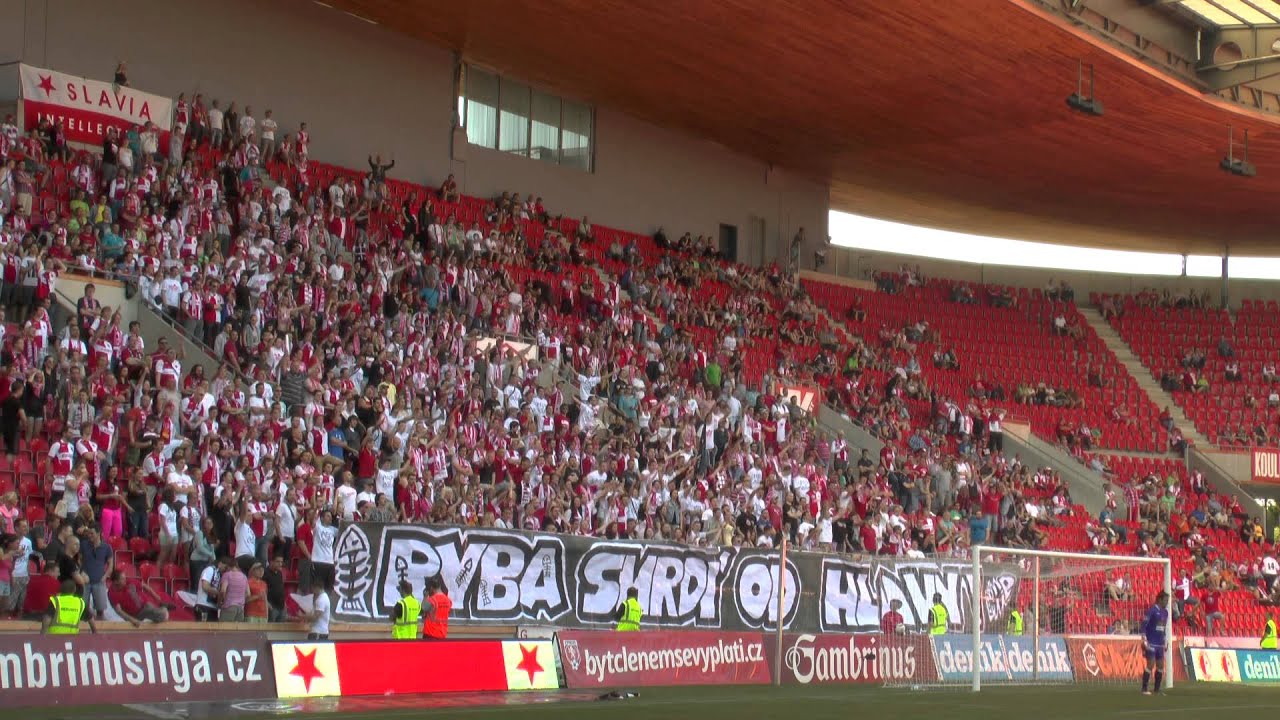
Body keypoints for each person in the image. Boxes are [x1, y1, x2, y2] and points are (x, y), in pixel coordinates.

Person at [1139, 590, 1169, 696]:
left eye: (1167, 600)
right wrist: (1144, 638)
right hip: (1151, 642)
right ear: (1160, 599)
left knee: (1160, 666)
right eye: (1165, 600)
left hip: (1160, 643)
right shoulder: (1152, 610)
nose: (1167, 602)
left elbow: (1164, 628)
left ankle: (1157, 689)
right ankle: (1144, 688)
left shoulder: (1165, 612)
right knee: (1150, 664)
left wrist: (1165, 640)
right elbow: (1144, 624)